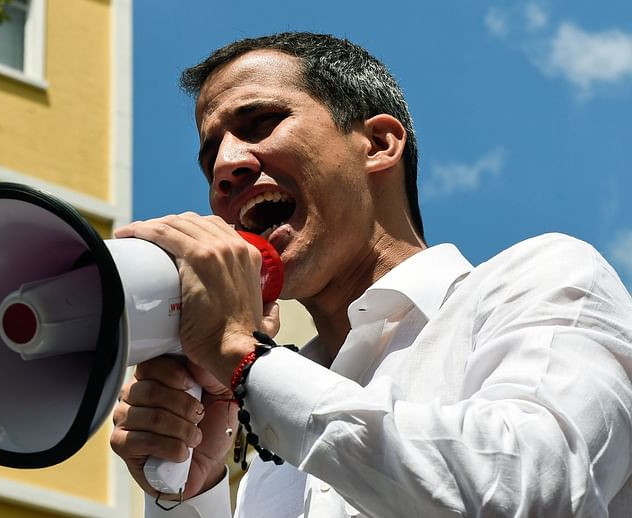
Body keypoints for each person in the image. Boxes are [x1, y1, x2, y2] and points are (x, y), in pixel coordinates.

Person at [110, 32, 632, 517]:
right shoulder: (274, 455)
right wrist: (192, 491)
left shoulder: (546, 278)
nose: (226, 166)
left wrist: (239, 357)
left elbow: (534, 493)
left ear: (379, 143)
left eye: (260, 123)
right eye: (210, 160)